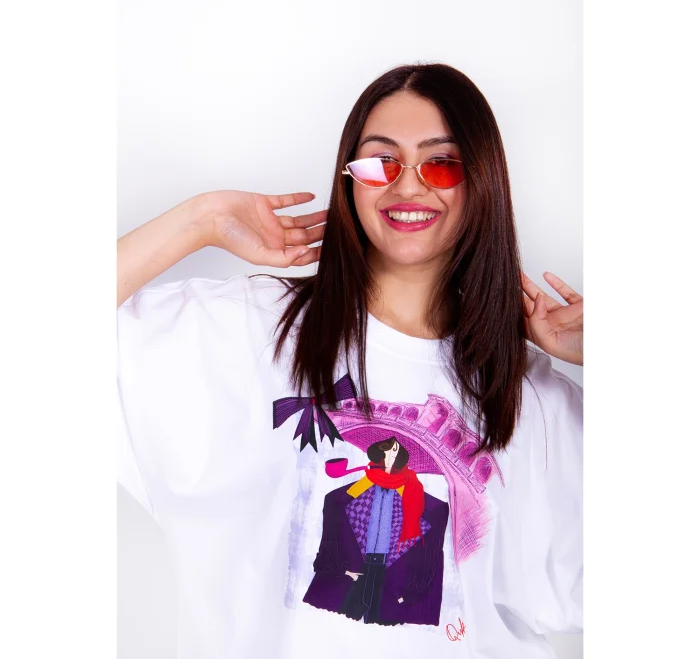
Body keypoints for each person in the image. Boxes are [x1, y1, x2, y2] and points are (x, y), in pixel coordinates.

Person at [117, 63, 583, 658]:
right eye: (381, 162)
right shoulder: (252, 330)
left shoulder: (531, 399)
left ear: (482, 181)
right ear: (350, 179)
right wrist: (200, 220)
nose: (407, 186)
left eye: (441, 163)